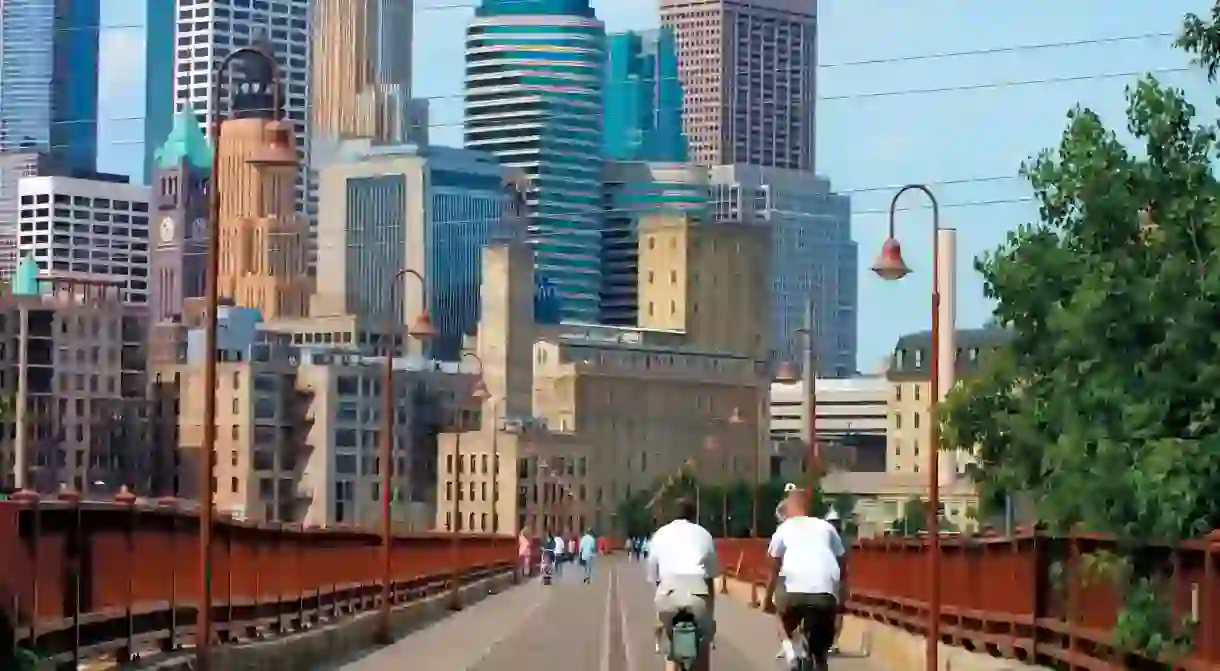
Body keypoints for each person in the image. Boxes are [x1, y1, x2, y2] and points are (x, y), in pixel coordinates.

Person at [763, 488, 846, 671]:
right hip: (825, 593)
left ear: (789, 509)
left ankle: (790, 655)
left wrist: (768, 600)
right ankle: (820, 661)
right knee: (821, 651)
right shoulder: (826, 527)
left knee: (780, 616)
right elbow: (843, 563)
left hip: (794, 593)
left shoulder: (783, 529)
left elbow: (773, 569)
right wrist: (841, 599)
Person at [647, 498, 718, 671]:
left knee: (671, 643)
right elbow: (710, 577)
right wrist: (709, 615)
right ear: (694, 515)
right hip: (697, 595)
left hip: (668, 595)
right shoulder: (704, 534)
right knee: (702, 645)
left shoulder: (660, 534)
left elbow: (654, 577)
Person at [824, 508, 846, 655]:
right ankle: (833, 643)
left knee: (833, 612)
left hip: (828, 580)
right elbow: (845, 561)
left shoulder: (822, 538)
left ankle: (832, 642)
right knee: (835, 612)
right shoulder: (842, 541)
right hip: (835, 579)